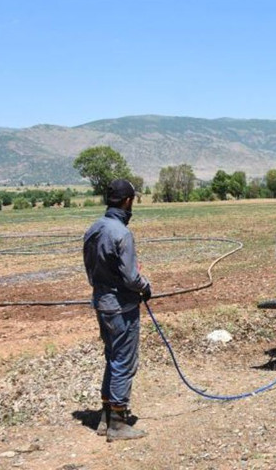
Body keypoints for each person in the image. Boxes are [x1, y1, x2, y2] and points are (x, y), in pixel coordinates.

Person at [83, 179, 152, 441]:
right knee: (124, 360)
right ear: (127, 201)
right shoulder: (121, 233)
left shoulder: (93, 229)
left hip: (101, 303)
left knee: (112, 357)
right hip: (122, 307)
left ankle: (105, 416)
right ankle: (118, 423)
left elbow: (92, 270)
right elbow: (131, 278)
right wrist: (145, 287)